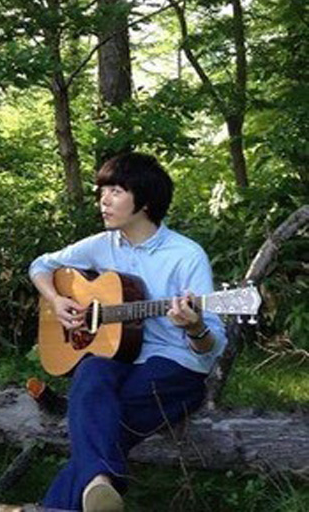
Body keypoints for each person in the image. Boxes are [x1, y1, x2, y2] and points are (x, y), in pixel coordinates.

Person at [28, 153, 226, 512]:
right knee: (90, 370)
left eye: (115, 191)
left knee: (102, 423)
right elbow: (41, 265)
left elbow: (212, 347)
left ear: (145, 202)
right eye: (102, 191)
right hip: (122, 358)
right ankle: (97, 485)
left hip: (174, 368)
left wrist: (195, 327)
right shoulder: (101, 245)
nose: (103, 200)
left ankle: (74, 494)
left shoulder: (186, 255)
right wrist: (56, 300)